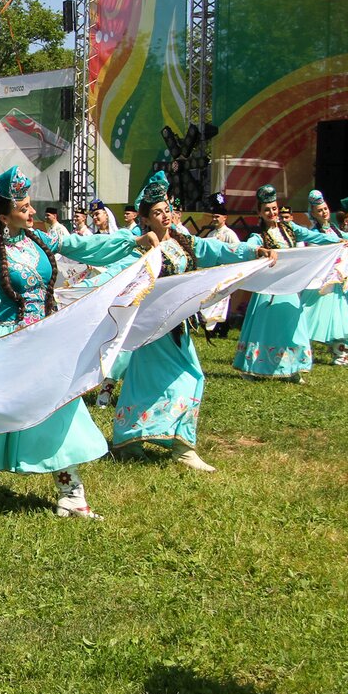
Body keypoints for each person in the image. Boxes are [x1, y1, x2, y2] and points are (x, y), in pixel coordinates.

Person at [0, 167, 138, 517]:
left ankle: (70, 494)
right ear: (3, 216)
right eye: (24, 207)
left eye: (31, 205)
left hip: (47, 338)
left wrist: (132, 241)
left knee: (59, 407)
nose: (32, 212)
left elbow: (85, 246)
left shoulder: (42, 240)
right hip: (11, 340)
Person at [111, 172, 271, 471]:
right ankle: (178, 447)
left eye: (167, 209)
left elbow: (217, 250)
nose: (165, 216)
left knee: (153, 379)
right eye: (158, 212)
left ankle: (132, 439)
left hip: (177, 325)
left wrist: (253, 251)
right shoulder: (140, 245)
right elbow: (118, 274)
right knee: (187, 376)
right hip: (151, 326)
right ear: (145, 219)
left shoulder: (183, 240)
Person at [233, 185, 342, 382]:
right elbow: (247, 248)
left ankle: (294, 367)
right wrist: (259, 250)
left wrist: (337, 241)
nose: (272, 213)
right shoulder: (258, 237)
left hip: (290, 287)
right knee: (265, 327)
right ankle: (253, 367)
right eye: (266, 210)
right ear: (259, 212)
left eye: (274, 208)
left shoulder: (290, 229)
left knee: (294, 326)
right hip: (268, 290)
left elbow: (314, 236)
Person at [302, 190, 348, 365]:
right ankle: (302, 353)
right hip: (322, 282)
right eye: (319, 210)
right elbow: (317, 250)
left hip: (337, 282)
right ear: (313, 214)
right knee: (308, 317)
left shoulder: (333, 228)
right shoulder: (314, 233)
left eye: (325, 208)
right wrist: (336, 245)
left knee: (339, 319)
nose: (324, 212)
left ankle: (339, 355)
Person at [197, 193, 240, 338]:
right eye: (213, 217)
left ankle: (223, 328)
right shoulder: (211, 234)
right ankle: (211, 327)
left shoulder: (229, 234)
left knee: (224, 301)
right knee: (213, 300)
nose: (214, 219)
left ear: (224, 218)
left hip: (225, 272)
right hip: (213, 273)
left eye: (217, 217)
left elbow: (236, 251)